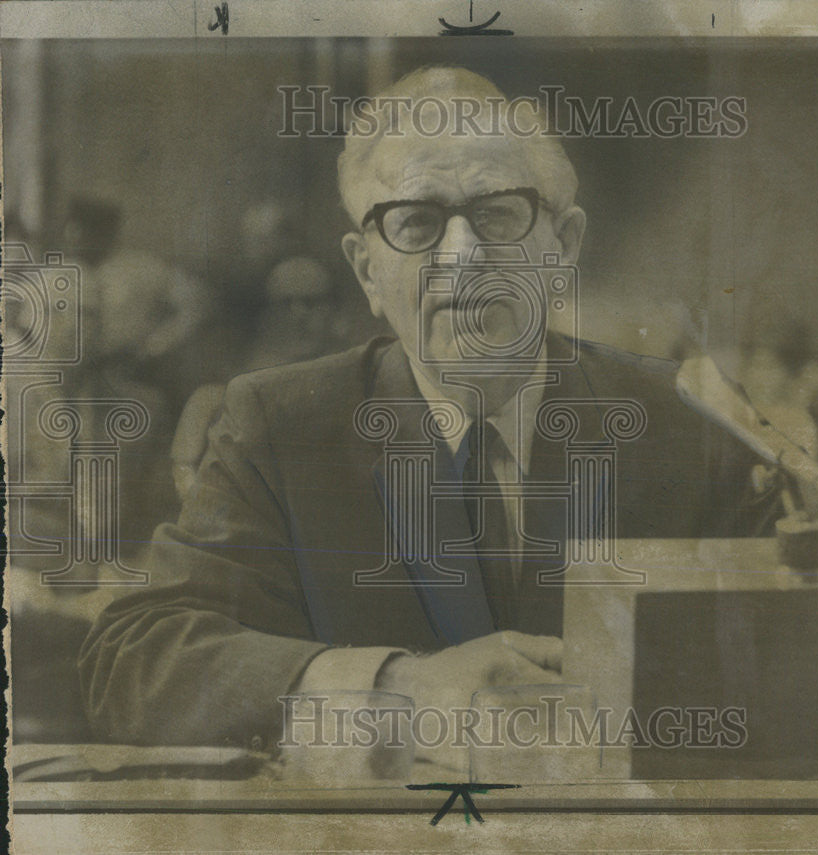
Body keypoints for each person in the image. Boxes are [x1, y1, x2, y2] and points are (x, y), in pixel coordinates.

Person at [79, 67, 777, 762]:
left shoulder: (689, 423)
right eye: (415, 222)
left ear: (562, 246)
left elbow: (800, 661)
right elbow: (132, 656)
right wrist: (394, 684)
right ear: (366, 271)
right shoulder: (280, 425)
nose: (463, 257)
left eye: (499, 213)